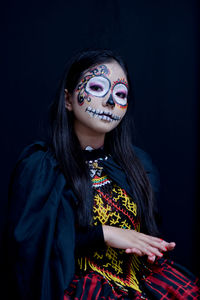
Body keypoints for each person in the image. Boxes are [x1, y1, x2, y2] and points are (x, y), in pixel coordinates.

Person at [6, 49, 199, 300]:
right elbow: (31, 247)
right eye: (97, 88)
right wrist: (103, 234)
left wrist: (150, 247)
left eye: (120, 94)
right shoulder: (42, 166)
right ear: (68, 100)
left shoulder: (137, 164)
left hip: (138, 284)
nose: (110, 102)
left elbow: (144, 232)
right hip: (79, 289)